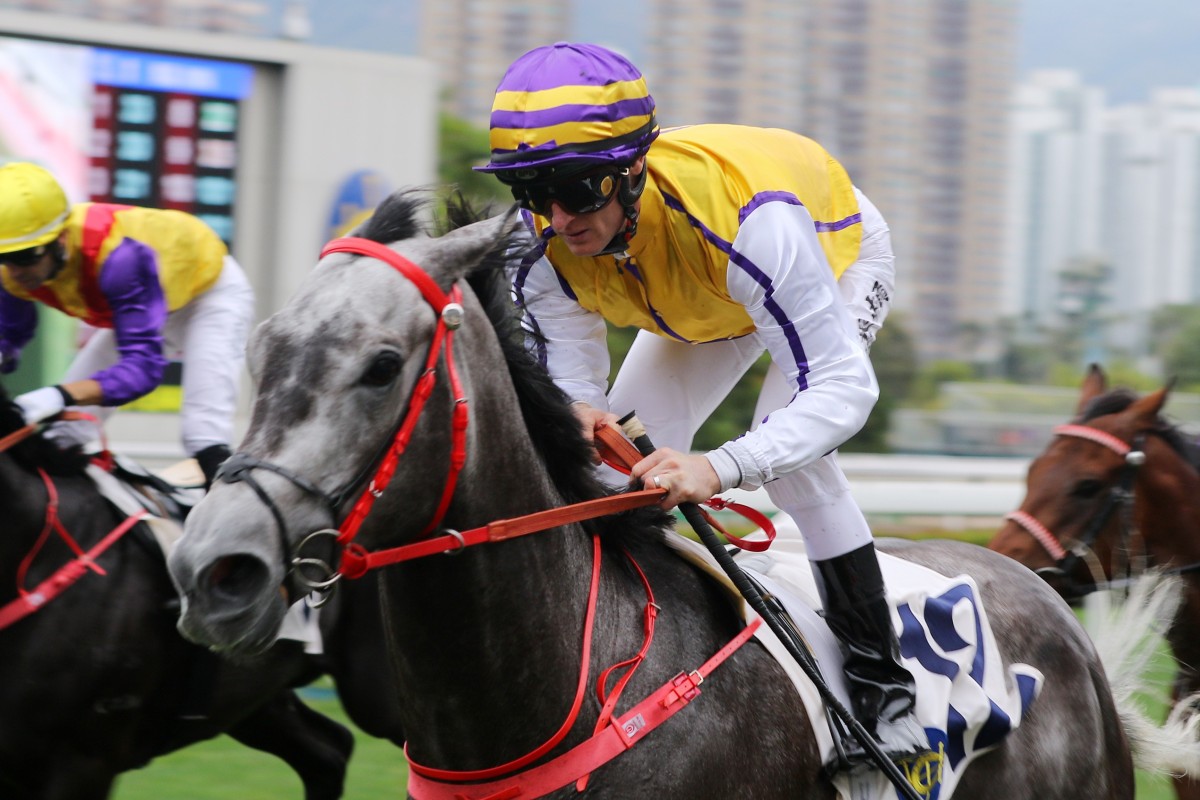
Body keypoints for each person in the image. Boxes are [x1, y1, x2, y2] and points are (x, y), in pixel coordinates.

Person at [478, 42, 928, 768]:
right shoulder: (540, 246)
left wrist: (717, 468)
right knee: (607, 475)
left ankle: (886, 696)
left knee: (795, 464)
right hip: (702, 293)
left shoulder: (757, 227)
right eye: (532, 192)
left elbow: (844, 390)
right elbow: (576, 385)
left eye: (577, 190)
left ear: (632, 170)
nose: (557, 218)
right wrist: (578, 410)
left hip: (822, 251)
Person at [0, 162, 254, 488]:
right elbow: (11, 336)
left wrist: (58, 395)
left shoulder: (119, 259)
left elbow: (143, 369)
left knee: (203, 435)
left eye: (26, 256)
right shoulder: (13, 271)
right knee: (63, 434)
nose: (15, 270)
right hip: (148, 303)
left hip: (208, 296)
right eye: (4, 257)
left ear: (61, 239)